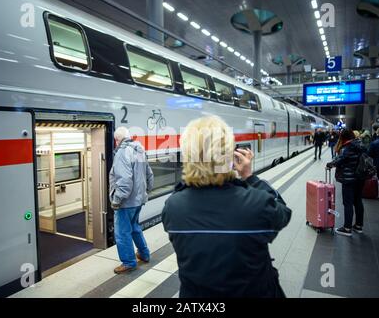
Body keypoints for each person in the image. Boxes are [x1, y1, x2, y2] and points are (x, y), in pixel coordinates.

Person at [162, 116, 292, 298]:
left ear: (188, 156)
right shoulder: (256, 203)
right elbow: (283, 214)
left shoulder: (173, 207)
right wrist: (249, 177)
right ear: (229, 154)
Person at [109, 126, 154, 274]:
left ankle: (128, 262)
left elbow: (124, 181)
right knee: (134, 227)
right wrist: (147, 190)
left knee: (122, 233)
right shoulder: (139, 149)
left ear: (117, 140)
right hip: (139, 199)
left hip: (126, 202)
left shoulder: (122, 152)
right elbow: (149, 173)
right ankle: (144, 253)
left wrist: (116, 200)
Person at [326, 129, 366, 237]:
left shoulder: (348, 147)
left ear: (343, 137)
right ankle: (358, 226)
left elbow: (341, 160)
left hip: (349, 179)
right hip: (360, 178)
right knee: (358, 201)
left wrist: (330, 164)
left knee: (347, 203)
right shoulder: (359, 144)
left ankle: (347, 228)